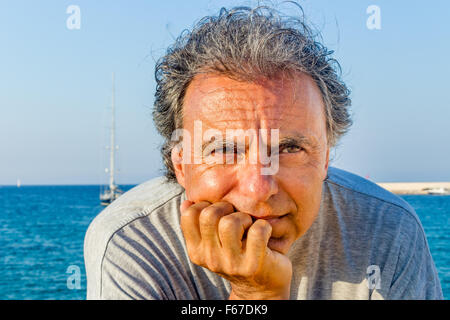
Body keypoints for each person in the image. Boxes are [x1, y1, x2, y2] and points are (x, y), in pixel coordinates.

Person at [84, 4, 443, 300]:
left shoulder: (389, 230)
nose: (259, 187)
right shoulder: (132, 243)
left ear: (326, 159)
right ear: (181, 165)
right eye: (225, 149)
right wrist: (256, 294)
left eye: (290, 148)